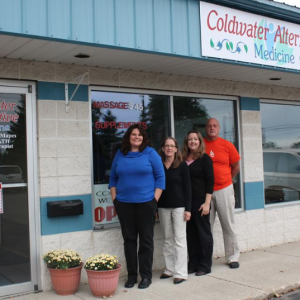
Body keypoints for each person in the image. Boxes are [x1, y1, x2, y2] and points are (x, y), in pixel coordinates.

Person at [109, 124, 165, 289]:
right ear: (128, 137)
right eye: (133, 134)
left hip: (145, 204)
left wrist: (153, 201)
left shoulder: (151, 153)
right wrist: (115, 200)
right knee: (129, 241)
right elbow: (112, 178)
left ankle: (146, 276)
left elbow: (160, 178)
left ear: (143, 138)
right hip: (124, 204)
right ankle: (132, 276)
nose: (137, 137)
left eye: (139, 135)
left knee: (146, 241)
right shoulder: (120, 154)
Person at [204, 118, 241, 269]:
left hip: (224, 189)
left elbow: (236, 166)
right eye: (209, 126)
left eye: (215, 126)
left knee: (228, 225)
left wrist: (227, 179)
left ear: (219, 128)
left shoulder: (227, 145)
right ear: (205, 128)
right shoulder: (201, 145)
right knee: (206, 227)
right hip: (206, 192)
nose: (212, 128)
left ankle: (232, 257)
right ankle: (205, 259)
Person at [157, 137, 192, 285]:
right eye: (167, 146)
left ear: (176, 149)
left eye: (172, 146)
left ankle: (181, 272)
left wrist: (188, 209)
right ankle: (169, 269)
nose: (169, 148)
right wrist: (155, 207)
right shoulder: (158, 165)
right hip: (163, 206)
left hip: (179, 207)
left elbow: (188, 188)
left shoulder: (182, 165)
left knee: (179, 239)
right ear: (163, 148)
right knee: (166, 238)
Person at [182, 130, 214, 276]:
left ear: (200, 142)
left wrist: (207, 203)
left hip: (201, 202)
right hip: (187, 203)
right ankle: (193, 263)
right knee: (191, 235)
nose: (193, 141)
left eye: (195, 139)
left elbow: (210, 182)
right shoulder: (182, 158)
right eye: (190, 139)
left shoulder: (205, 159)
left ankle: (205, 265)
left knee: (204, 234)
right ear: (186, 142)